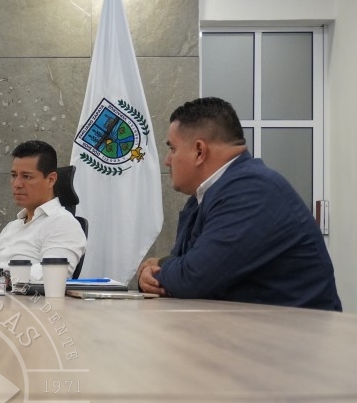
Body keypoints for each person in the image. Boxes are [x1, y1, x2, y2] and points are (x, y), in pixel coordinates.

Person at [137, 97, 341, 311]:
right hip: (256, 325)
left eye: (172, 149)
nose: (167, 160)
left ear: (199, 151)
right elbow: (183, 266)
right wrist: (153, 276)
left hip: (297, 329)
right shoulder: (205, 197)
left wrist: (160, 266)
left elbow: (193, 279)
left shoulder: (252, 191)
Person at [0, 140, 86, 283]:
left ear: (51, 179)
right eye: (14, 175)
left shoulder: (63, 223)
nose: (17, 184)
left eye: (27, 176)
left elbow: (52, 275)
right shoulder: (11, 227)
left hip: (29, 298)